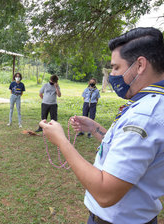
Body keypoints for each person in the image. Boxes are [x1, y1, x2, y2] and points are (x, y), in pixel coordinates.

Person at [39, 27, 164, 224]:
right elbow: (129, 150)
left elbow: (105, 193)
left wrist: (61, 141)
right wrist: (95, 128)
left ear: (140, 65)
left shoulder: (144, 116)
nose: (112, 74)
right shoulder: (149, 104)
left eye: (116, 67)